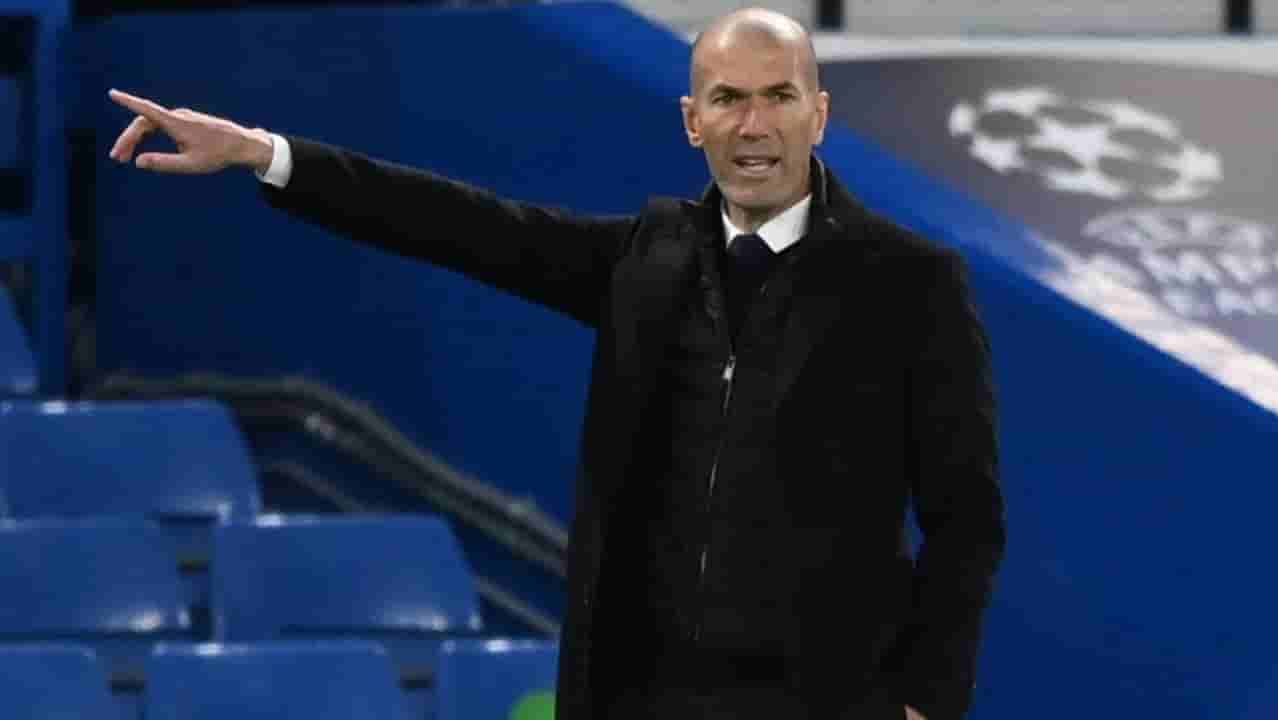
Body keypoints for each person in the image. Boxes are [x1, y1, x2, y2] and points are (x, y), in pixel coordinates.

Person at [107, 7, 1005, 719]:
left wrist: (925, 701)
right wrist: (264, 154)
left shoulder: (910, 282)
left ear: (820, 113)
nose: (754, 124)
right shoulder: (646, 258)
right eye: (728, 99)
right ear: (692, 122)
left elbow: (967, 520)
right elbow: (458, 224)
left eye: (779, 96)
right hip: (641, 695)